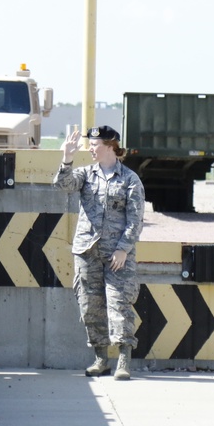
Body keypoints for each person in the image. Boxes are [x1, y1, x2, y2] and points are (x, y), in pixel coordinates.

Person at [53, 125, 146, 380]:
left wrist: (123, 249)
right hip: (87, 251)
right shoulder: (85, 174)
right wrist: (67, 158)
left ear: (110, 146)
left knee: (120, 304)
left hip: (117, 255)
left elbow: (135, 220)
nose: (90, 149)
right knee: (89, 305)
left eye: (95, 145)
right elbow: (62, 185)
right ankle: (101, 359)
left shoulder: (129, 179)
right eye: (90, 144)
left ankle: (124, 360)